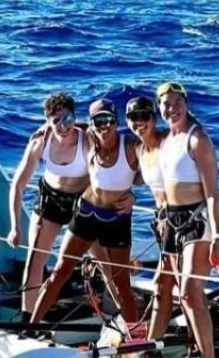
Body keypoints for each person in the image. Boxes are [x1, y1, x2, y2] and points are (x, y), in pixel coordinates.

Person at [31, 99, 140, 326]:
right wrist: (46, 128)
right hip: (86, 213)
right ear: (92, 124)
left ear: (116, 121)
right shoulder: (89, 138)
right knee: (60, 271)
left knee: (121, 283)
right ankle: (29, 327)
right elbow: (70, 126)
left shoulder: (129, 145)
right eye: (99, 121)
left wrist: (133, 197)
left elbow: (152, 168)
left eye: (108, 120)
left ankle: (135, 337)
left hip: (117, 219)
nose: (104, 126)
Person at [7, 93, 92, 319]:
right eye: (56, 121)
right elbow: (18, 185)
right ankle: (28, 318)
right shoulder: (40, 142)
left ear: (75, 117)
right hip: (51, 201)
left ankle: (115, 315)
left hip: (82, 201)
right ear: (47, 121)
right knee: (35, 260)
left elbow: (107, 176)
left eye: (68, 119)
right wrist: (15, 227)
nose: (63, 126)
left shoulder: (87, 141)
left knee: (102, 259)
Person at [156, 81, 219, 358]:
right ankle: (197, 351)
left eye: (176, 103)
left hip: (197, 221)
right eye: (166, 104)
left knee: (189, 291)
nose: (171, 109)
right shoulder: (167, 141)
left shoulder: (198, 140)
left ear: (186, 104)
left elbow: (212, 194)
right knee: (179, 295)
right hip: (172, 221)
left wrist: (218, 234)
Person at [124, 96, 178, 342]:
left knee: (177, 286)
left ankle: (200, 350)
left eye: (145, 117)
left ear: (154, 118)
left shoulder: (169, 141)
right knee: (164, 284)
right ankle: (154, 341)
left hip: (181, 221)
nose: (140, 122)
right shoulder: (138, 149)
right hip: (161, 222)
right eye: (134, 118)